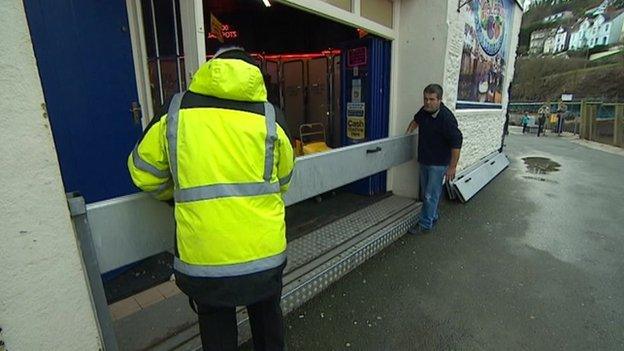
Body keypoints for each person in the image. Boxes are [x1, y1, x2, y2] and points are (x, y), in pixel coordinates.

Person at [127, 46, 295, 351]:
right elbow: (283, 181)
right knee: (268, 323)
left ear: (211, 68)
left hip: (206, 260)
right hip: (264, 255)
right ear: (253, 73)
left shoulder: (176, 111)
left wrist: (179, 195)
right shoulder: (271, 116)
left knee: (217, 334)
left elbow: (143, 172)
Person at [405, 84, 463, 233]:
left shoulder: (447, 118)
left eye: (432, 99)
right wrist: (407, 135)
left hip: (438, 164)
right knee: (427, 193)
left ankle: (425, 224)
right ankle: (433, 215)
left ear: (439, 100)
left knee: (430, 194)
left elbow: (457, 143)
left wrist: (452, 167)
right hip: (424, 160)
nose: (428, 102)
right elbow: (415, 121)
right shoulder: (424, 111)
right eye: (425, 99)